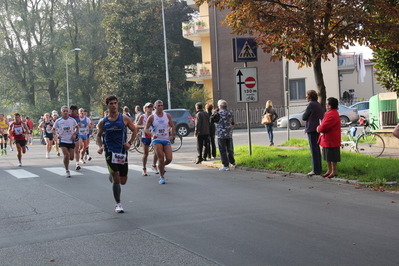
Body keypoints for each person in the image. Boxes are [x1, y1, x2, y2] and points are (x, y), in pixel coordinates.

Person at [97, 95, 137, 213]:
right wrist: (100, 147)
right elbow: (99, 135)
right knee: (116, 177)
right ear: (107, 106)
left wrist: (130, 142)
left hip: (122, 152)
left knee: (123, 180)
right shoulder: (103, 121)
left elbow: (134, 130)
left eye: (115, 103)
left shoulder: (124, 118)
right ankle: (118, 204)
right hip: (109, 151)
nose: (114, 105)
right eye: (111, 104)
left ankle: (112, 175)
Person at [144, 100, 175, 184]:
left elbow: (172, 125)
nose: (160, 107)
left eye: (161, 105)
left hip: (166, 138)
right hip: (156, 139)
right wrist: (152, 134)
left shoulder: (167, 116)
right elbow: (146, 129)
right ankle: (161, 177)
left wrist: (172, 134)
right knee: (160, 157)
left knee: (169, 159)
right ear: (155, 107)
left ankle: (161, 166)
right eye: (158, 106)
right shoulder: (152, 117)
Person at [317, 97, 341, 178]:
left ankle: (333, 171)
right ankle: (329, 170)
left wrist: (318, 128)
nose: (326, 105)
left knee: (332, 156)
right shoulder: (333, 113)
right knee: (327, 155)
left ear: (330, 106)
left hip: (330, 138)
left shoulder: (331, 114)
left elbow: (325, 126)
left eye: (327, 104)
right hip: (329, 138)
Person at [302, 90, 324, 176]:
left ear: (310, 97)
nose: (306, 98)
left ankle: (315, 169)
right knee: (317, 148)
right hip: (317, 128)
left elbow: (304, 117)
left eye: (307, 97)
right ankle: (319, 168)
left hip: (311, 128)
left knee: (313, 149)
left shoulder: (311, 104)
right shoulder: (318, 104)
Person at [52, 106, 79, 177]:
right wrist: (57, 135)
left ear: (69, 112)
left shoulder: (72, 120)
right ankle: (67, 170)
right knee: (66, 155)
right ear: (61, 112)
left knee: (71, 158)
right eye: (64, 111)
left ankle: (67, 164)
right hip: (63, 140)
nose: (66, 112)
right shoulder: (58, 121)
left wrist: (74, 134)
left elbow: (77, 128)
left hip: (71, 140)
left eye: (67, 111)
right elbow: (53, 130)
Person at [211, 99, 236, 171]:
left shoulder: (219, 114)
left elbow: (211, 120)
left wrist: (214, 113)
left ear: (220, 106)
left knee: (222, 149)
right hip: (228, 133)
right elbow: (232, 122)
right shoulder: (230, 112)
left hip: (221, 133)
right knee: (229, 149)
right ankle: (232, 162)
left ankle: (225, 165)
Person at [136, 102, 158, 176]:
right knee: (146, 154)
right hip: (145, 137)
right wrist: (143, 127)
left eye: (151, 106)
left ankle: (154, 165)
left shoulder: (155, 116)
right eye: (148, 107)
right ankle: (144, 168)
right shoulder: (143, 116)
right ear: (144, 108)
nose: (150, 108)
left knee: (156, 152)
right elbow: (136, 126)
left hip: (154, 136)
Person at [69, 104, 82, 170]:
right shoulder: (68, 116)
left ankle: (77, 164)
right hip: (68, 135)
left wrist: (79, 125)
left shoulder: (77, 116)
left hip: (76, 133)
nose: (73, 112)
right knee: (70, 153)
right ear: (70, 110)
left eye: (74, 111)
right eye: (72, 110)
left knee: (77, 149)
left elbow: (78, 125)